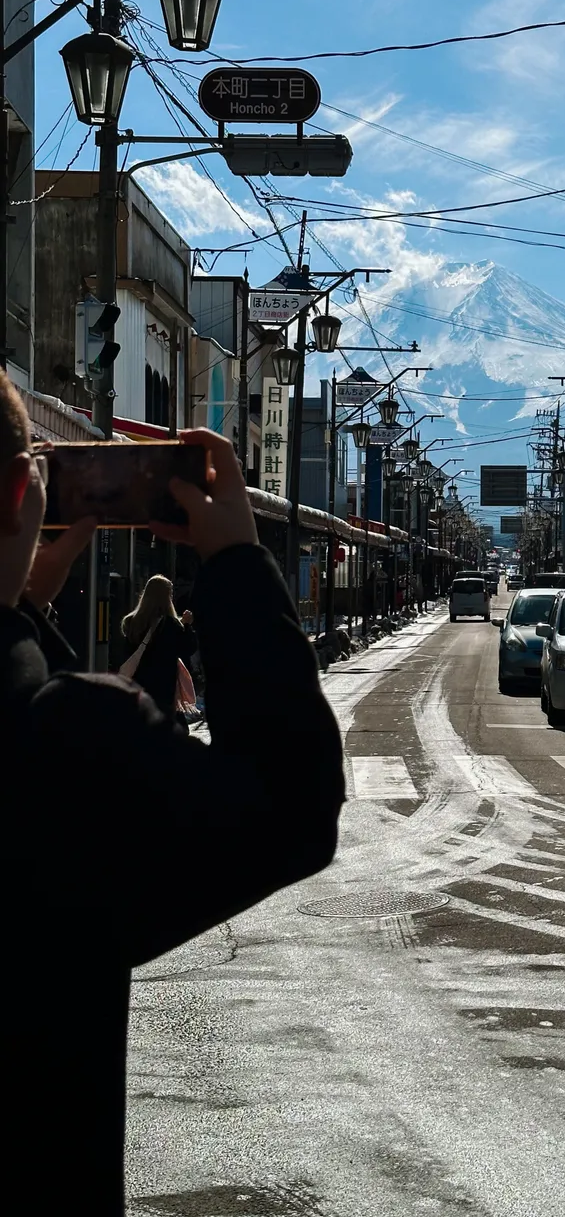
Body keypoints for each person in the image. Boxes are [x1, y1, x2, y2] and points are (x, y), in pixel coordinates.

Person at [1, 370, 344, 1216]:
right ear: (22, 492)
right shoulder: (70, 739)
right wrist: (233, 561)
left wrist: (25, 611)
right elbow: (291, 809)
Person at [120, 573, 196, 720]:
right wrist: (187, 626)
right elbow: (188, 648)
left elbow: (126, 651)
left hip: (137, 684)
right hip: (164, 687)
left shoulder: (131, 622)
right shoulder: (171, 625)